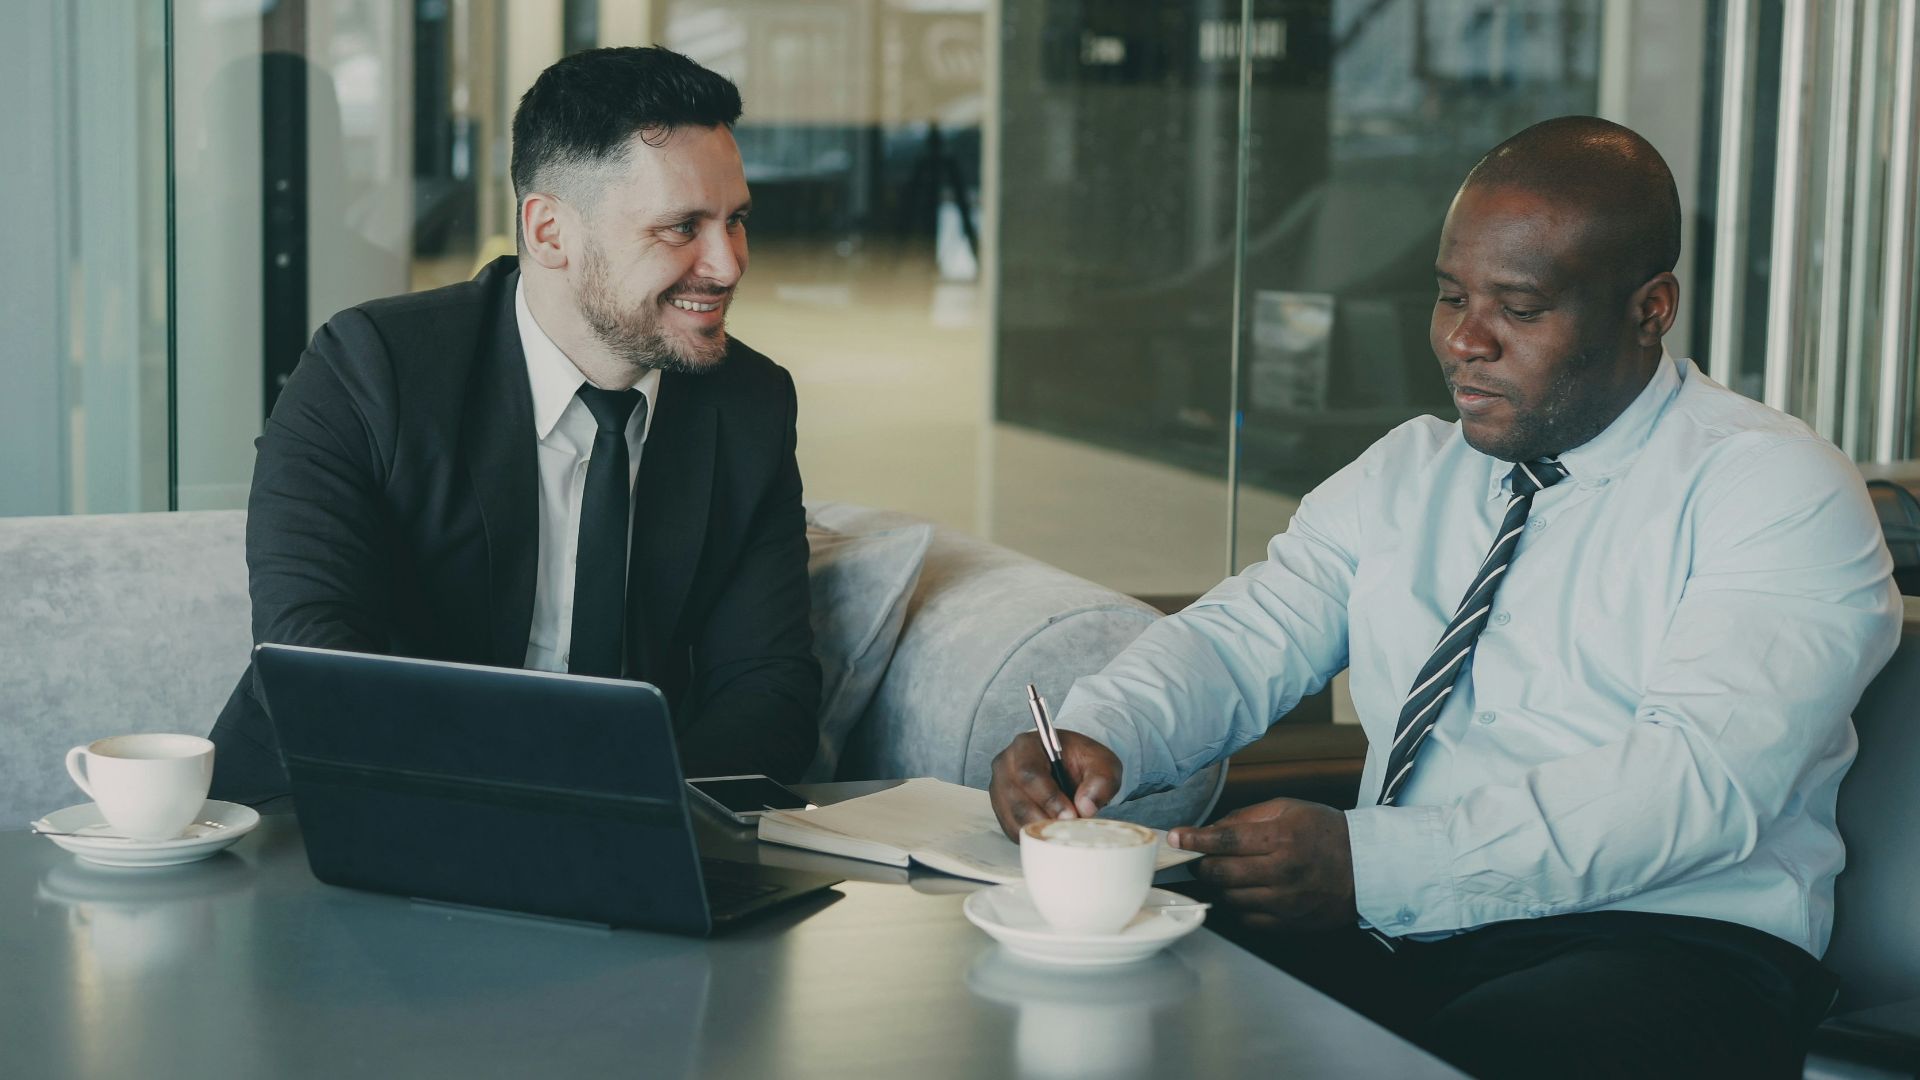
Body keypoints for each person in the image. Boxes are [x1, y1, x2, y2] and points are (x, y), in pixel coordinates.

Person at [989, 117, 1902, 1078]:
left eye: (1519, 307)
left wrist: (1377, 866)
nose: (1465, 341)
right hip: (1397, 925)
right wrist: (1101, 732)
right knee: (1107, 999)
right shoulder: (1409, 470)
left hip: (1670, 946)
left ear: (1651, 309)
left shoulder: (1774, 488)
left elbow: (1698, 784)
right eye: (1450, 296)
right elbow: (1243, 637)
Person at [209, 46, 821, 802]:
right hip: (331, 819)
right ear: (550, 232)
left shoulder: (748, 404)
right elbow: (315, 657)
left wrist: (631, 823)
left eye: (736, 221)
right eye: (680, 228)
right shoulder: (370, 371)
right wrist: (516, 816)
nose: (727, 264)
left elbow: (768, 689)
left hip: (624, 838)